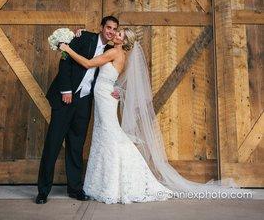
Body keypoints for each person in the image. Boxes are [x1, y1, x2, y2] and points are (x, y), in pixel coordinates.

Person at [60, 27, 255, 204]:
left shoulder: (113, 52)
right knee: (106, 137)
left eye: (119, 34)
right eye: (117, 32)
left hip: (104, 98)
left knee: (110, 137)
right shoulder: (120, 55)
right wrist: (82, 33)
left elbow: (87, 63)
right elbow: (113, 76)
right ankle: (106, 183)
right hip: (105, 96)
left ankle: (123, 181)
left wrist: (67, 49)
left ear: (124, 41)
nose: (116, 34)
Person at [35, 16, 120, 204]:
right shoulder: (83, 37)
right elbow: (65, 60)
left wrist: (116, 90)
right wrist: (66, 89)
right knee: (53, 144)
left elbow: (111, 74)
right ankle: (43, 191)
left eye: (114, 29)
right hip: (66, 98)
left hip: (84, 102)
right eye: (108, 27)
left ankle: (75, 189)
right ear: (101, 27)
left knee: (76, 146)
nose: (111, 32)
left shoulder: (110, 50)